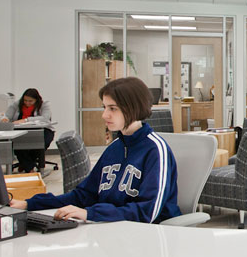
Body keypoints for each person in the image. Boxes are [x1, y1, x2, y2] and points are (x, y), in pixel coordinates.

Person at [10, 77, 181, 223]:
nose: (104, 115)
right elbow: (84, 195)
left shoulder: (156, 150)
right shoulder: (115, 148)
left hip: (147, 238)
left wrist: (91, 214)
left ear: (133, 108)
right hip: (113, 230)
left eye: (112, 108)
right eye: (104, 107)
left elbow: (147, 213)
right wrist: (29, 204)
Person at [4, 88, 55, 173]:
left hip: (43, 130)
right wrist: (5, 119)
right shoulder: (16, 104)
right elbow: (7, 116)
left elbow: (45, 118)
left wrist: (26, 120)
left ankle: (25, 164)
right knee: (18, 144)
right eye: (25, 100)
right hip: (21, 131)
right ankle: (29, 169)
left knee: (41, 143)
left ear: (36, 100)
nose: (27, 103)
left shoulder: (44, 104)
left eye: (30, 101)